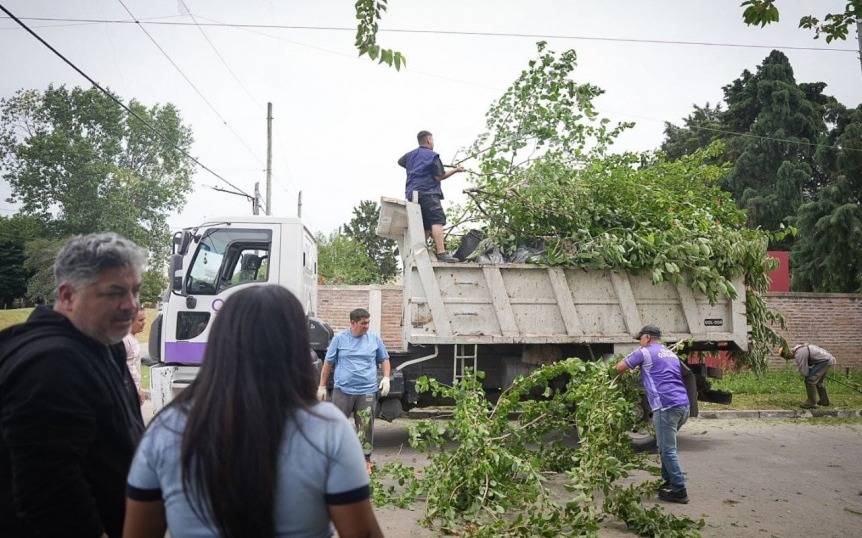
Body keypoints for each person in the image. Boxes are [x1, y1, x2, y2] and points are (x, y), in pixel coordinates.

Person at [124, 285, 383, 538]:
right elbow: (361, 532)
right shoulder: (329, 430)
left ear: (218, 342)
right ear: (296, 347)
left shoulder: (166, 429)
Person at [0, 233, 146, 537]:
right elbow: (49, 494)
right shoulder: (51, 362)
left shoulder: (103, 342)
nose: (131, 306)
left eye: (135, 291)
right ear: (67, 296)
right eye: (115, 292)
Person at [615, 324, 691, 504]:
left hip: (666, 407)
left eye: (640, 339)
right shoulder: (670, 353)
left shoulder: (644, 352)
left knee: (667, 449)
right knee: (664, 446)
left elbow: (619, 367)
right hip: (683, 405)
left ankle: (679, 490)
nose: (639, 342)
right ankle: (669, 482)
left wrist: (633, 364)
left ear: (647, 338)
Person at [318, 308, 391, 474]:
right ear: (352, 323)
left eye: (368, 322)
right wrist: (322, 386)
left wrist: (386, 378)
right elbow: (328, 363)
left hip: (367, 391)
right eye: (363, 323)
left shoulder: (374, 339)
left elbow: (384, 359)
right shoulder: (340, 339)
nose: (366, 326)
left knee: (365, 426)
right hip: (343, 391)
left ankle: (365, 461)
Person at [398, 130, 465, 263]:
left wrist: (415, 166)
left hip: (412, 194)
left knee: (426, 225)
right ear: (428, 140)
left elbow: (400, 161)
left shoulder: (410, 155)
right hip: (428, 192)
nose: (433, 142)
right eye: (432, 140)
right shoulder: (433, 156)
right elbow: (439, 176)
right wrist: (456, 170)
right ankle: (441, 253)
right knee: (437, 220)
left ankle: (416, 250)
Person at [778, 343, 837, 408]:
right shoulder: (800, 349)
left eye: (787, 358)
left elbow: (804, 372)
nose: (790, 359)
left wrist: (812, 375)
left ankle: (811, 402)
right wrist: (815, 373)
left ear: (788, 354)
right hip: (828, 359)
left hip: (824, 361)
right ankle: (824, 401)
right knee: (819, 382)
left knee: (810, 380)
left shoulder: (799, 354)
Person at [123, 307, 148, 403]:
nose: (144, 323)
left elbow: (134, 367)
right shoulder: (124, 340)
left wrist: (139, 388)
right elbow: (127, 369)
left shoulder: (132, 338)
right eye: (140, 320)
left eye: (144, 319)